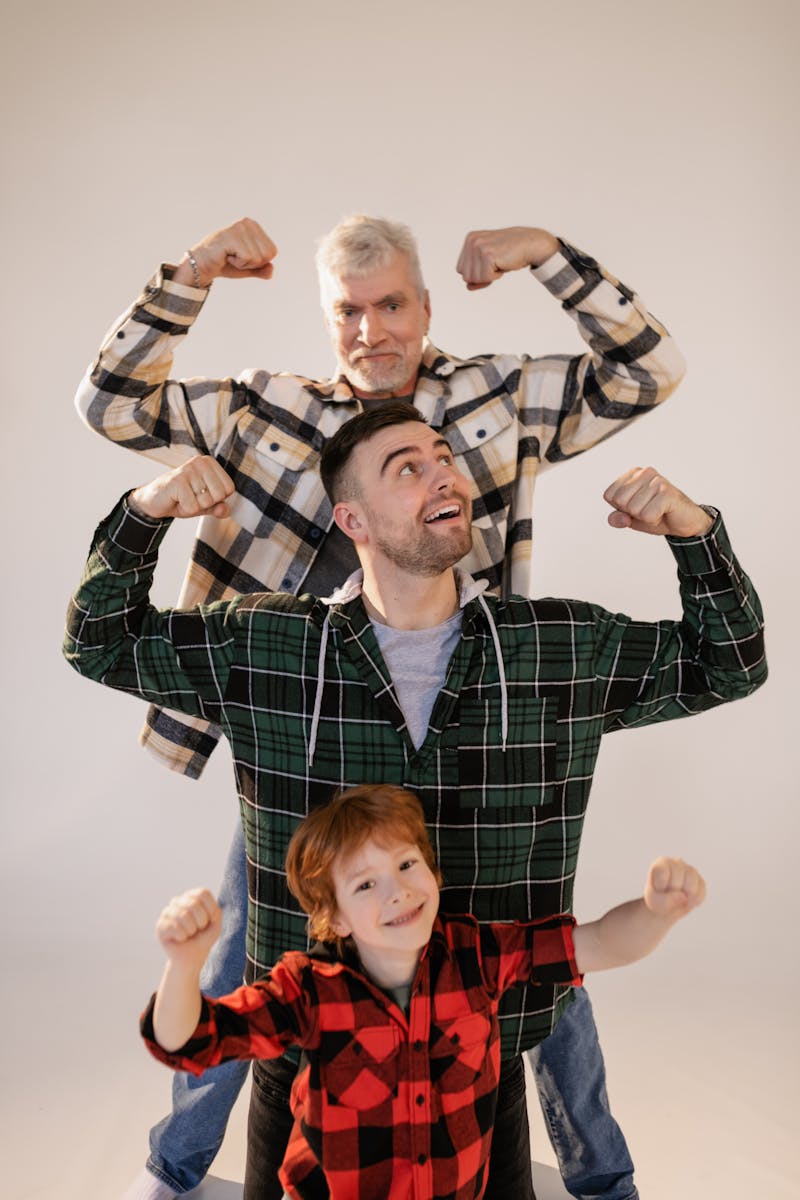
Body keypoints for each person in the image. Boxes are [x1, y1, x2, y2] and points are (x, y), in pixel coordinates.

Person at [76, 213, 687, 1200]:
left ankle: (600, 1180)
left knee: (527, 955)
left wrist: (547, 256)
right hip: (306, 742)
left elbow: (646, 369)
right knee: (250, 944)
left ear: (425, 306)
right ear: (326, 322)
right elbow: (107, 401)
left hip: (463, 730)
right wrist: (192, 274)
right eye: (347, 313)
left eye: (391, 304)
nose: (371, 330)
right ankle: (175, 1172)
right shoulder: (262, 410)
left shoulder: (493, 400)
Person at [142, 784, 705, 1200]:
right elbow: (190, 1042)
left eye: (408, 864)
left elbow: (600, 944)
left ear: (434, 874)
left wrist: (655, 915)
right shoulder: (309, 990)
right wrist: (185, 964)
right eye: (366, 883)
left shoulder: (477, 956)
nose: (399, 891)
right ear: (333, 918)